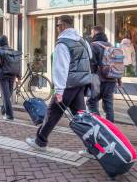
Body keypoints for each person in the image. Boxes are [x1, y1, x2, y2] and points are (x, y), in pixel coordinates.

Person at [25, 15, 92, 151]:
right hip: (79, 85)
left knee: (52, 114)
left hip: (67, 86)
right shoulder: (82, 41)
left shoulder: (63, 44)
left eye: (57, 25)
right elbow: (89, 58)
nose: (57, 28)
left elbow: (61, 69)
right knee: (80, 117)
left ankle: (40, 141)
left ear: (62, 25)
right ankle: (93, 147)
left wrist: (59, 91)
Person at [87, 26, 119, 123]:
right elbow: (117, 64)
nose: (91, 35)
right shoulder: (111, 46)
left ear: (95, 33)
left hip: (99, 80)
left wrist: (89, 78)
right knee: (109, 104)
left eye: (92, 33)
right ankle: (111, 127)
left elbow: (92, 64)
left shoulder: (94, 45)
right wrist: (119, 79)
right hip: (112, 79)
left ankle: (99, 124)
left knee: (91, 102)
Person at [0, 35, 21, 120]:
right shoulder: (13, 51)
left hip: (3, 76)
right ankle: (3, 109)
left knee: (6, 96)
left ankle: (9, 115)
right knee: (8, 94)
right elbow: (17, 65)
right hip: (12, 75)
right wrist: (19, 76)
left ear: (0, 43)